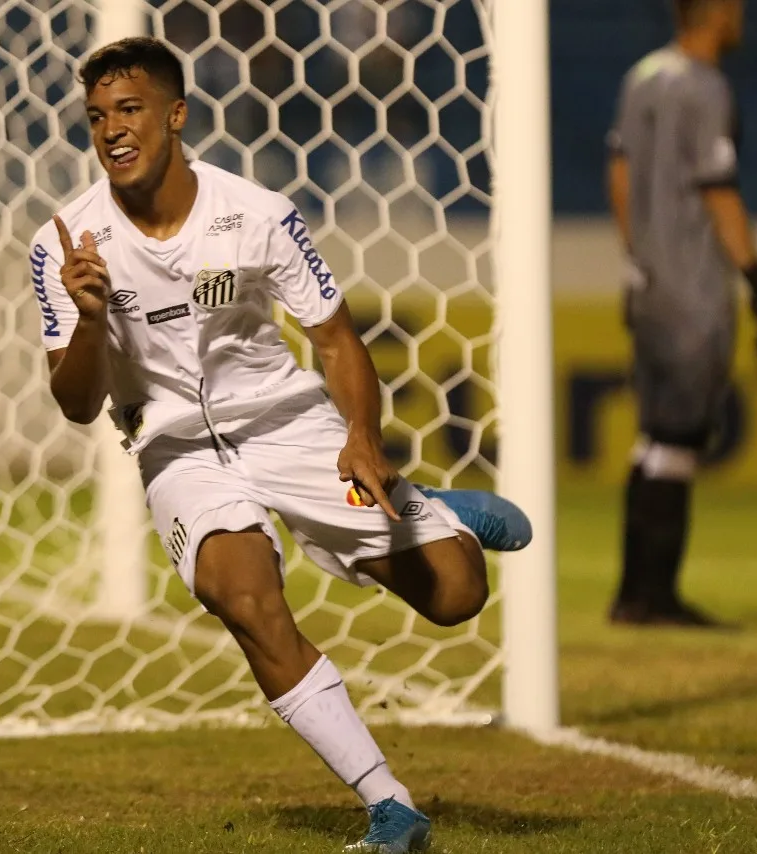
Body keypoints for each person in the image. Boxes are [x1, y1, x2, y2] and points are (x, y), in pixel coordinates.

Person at [30, 37, 531, 853]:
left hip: (285, 421)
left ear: (176, 115)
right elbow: (78, 405)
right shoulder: (65, 244)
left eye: (130, 110)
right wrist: (90, 319)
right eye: (96, 118)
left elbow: (333, 339)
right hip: (176, 448)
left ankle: (432, 510)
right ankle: (390, 806)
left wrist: (362, 439)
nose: (112, 130)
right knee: (246, 597)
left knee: (455, 594)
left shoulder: (258, 214)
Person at [605, 0, 757, 628]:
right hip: (693, 291)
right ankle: (654, 596)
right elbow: (718, 191)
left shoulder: (640, 75)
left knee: (654, 436)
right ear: (714, 14)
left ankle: (633, 592)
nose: (740, 18)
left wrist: (639, 255)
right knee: (680, 439)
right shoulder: (708, 88)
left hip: (649, 283)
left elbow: (621, 172)